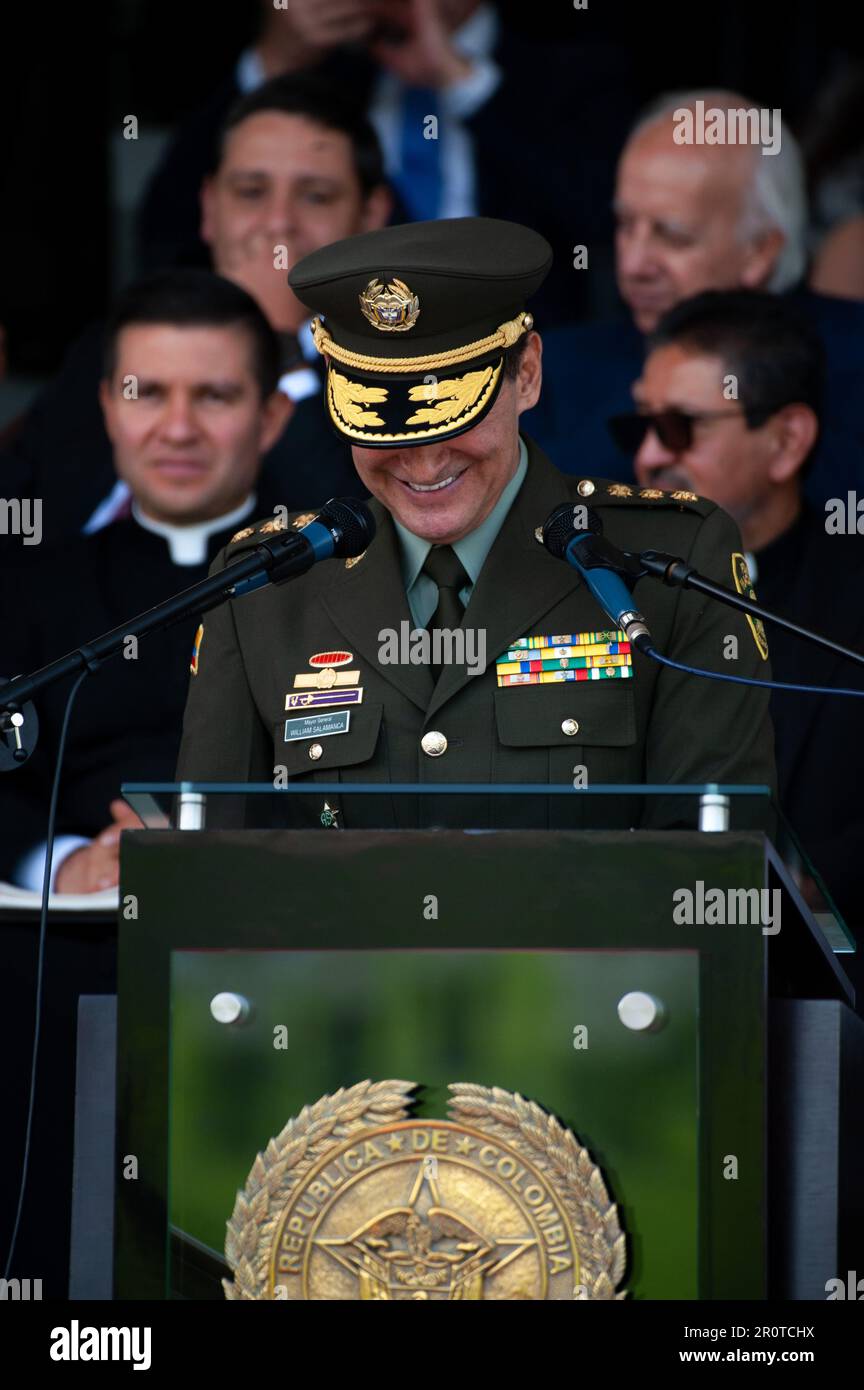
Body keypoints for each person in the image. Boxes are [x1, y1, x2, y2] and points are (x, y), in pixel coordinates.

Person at [175, 218, 775, 831]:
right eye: (384, 422)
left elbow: (713, 868)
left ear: (528, 373)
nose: (426, 461)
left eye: (449, 415)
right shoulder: (263, 588)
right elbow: (209, 876)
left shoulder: (667, 561)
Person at [0, 78, 392, 549]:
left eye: (315, 196)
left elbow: (360, 543)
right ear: (208, 208)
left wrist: (276, 343)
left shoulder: (406, 365)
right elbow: (24, 512)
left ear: (371, 215)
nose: (278, 222)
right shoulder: (120, 344)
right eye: (251, 191)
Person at [0, 271, 291, 893]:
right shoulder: (24, 591)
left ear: (271, 416)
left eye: (213, 396)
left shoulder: (341, 571)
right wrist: (64, 862)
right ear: (108, 406)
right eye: (148, 393)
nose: (178, 429)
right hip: (74, 939)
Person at [138, 0, 636, 327]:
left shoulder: (571, 67)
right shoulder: (320, 68)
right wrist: (275, 62)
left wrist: (463, 81)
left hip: (523, 374)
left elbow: (605, 221)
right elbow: (170, 225)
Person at [619, 288, 863, 937]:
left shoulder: (852, 595)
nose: (648, 456)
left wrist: (801, 894)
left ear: (786, 440)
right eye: (638, 426)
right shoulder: (596, 582)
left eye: (679, 428)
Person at [530, 90, 864, 507]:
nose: (633, 264)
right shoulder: (553, 372)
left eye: (672, 236)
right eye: (625, 225)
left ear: (760, 251)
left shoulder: (853, 369)